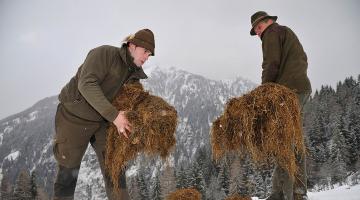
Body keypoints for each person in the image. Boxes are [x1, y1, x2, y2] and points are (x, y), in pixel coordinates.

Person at [52, 29, 155, 200]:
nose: (146, 57)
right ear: (132, 45)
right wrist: (115, 117)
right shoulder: (104, 54)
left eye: (150, 54)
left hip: (102, 121)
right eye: (145, 51)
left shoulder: (133, 74)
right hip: (74, 117)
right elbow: (86, 84)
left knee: (115, 169)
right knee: (68, 172)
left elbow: (134, 101)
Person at [249, 11, 312, 200]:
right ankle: (280, 193)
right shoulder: (285, 32)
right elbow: (302, 59)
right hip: (298, 90)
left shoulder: (272, 33)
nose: (258, 33)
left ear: (268, 22)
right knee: (285, 141)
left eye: (259, 28)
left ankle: (296, 193)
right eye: (256, 31)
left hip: (290, 92)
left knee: (288, 143)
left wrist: (264, 92)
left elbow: (270, 64)